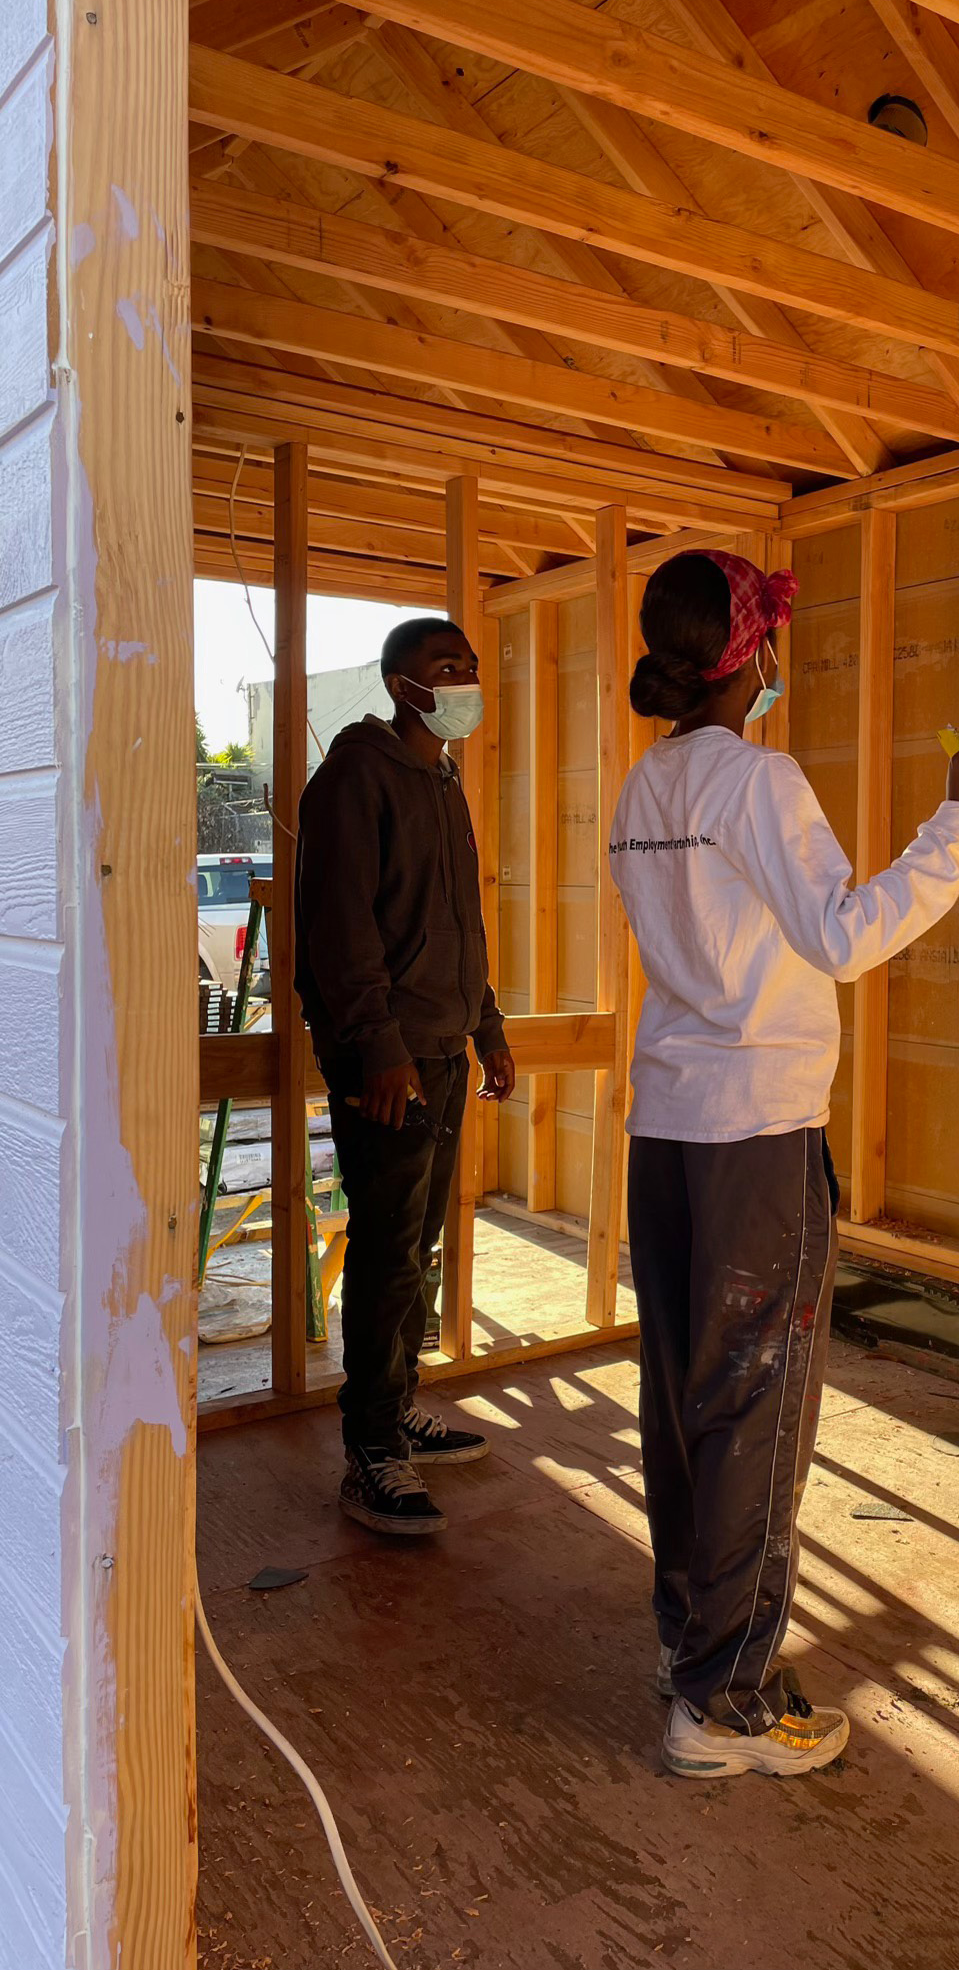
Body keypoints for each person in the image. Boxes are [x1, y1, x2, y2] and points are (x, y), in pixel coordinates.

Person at [609, 548, 959, 1779]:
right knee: (759, 1403)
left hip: (668, 1129)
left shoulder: (643, 788)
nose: (780, 661)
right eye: (771, 638)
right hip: (757, 1132)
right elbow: (840, 937)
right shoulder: (756, 779)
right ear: (751, 654)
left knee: (688, 1396)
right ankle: (724, 1700)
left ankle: (695, 1648)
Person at [296, 617, 516, 1536]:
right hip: (387, 1060)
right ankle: (370, 1451)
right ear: (399, 683)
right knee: (388, 1251)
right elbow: (342, 929)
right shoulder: (356, 776)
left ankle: (398, 1409)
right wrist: (380, 1050)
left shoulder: (443, 780)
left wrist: (488, 1025)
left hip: (441, 1047)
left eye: (468, 665)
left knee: (416, 1245)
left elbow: (459, 920)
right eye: (443, 668)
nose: (463, 679)